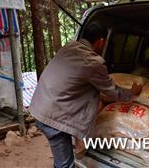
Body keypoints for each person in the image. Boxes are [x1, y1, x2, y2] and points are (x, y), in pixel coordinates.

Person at [29, 22, 137, 168]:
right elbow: (112, 91)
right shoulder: (93, 62)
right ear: (101, 41)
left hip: (40, 106)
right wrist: (132, 93)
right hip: (53, 116)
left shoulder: (68, 47)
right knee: (65, 164)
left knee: (62, 158)